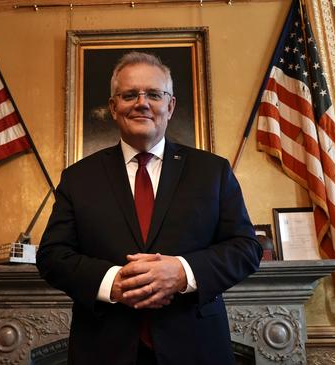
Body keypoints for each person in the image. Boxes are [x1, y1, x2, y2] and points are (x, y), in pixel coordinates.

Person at [37, 51, 262, 365]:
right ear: (114, 108)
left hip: (197, 348)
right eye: (129, 95)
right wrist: (111, 282)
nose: (141, 103)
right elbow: (52, 255)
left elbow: (246, 248)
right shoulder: (78, 178)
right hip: (103, 350)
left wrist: (182, 272)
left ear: (169, 106)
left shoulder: (212, 171)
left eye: (154, 94)